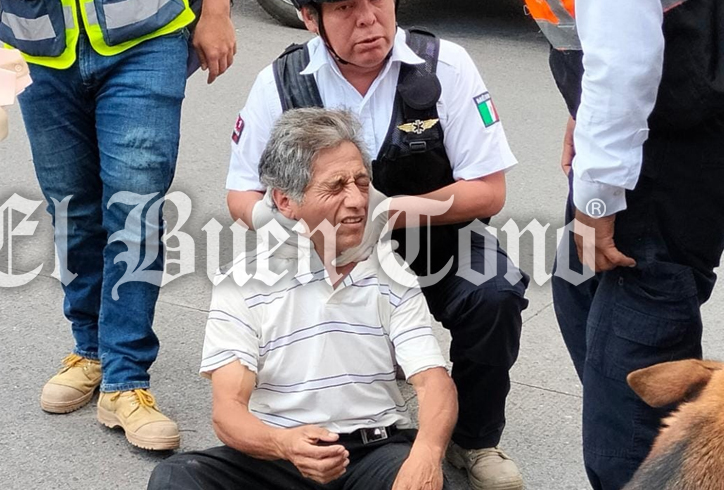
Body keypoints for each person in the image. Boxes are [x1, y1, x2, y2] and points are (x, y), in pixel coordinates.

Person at [224, 1, 529, 488]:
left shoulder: (445, 66)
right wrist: (285, 228)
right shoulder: (281, 83)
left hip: (436, 236)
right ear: (310, 18)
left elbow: (488, 190)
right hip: (326, 246)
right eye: (346, 6)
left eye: (377, 1)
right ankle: (310, 424)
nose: (367, 18)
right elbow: (241, 192)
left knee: (495, 292)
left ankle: (474, 439)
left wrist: (388, 212)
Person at [0, 0, 237, 450]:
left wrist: (216, 11)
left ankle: (125, 378)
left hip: (145, 37)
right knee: (71, 210)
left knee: (135, 210)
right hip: (41, 49)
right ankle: (91, 349)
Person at [149, 107, 457, 490]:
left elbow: (433, 382)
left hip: (373, 451)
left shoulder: (390, 273)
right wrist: (284, 444)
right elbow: (228, 412)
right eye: (336, 186)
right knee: (176, 478)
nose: (357, 200)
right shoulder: (241, 282)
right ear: (285, 201)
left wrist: (427, 454)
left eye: (361, 182)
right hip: (277, 454)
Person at [524, 0, 724, 487]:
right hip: (646, 113)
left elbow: (624, 56)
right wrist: (584, 108)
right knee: (578, 288)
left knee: (630, 360)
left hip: (673, 134)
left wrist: (598, 192)